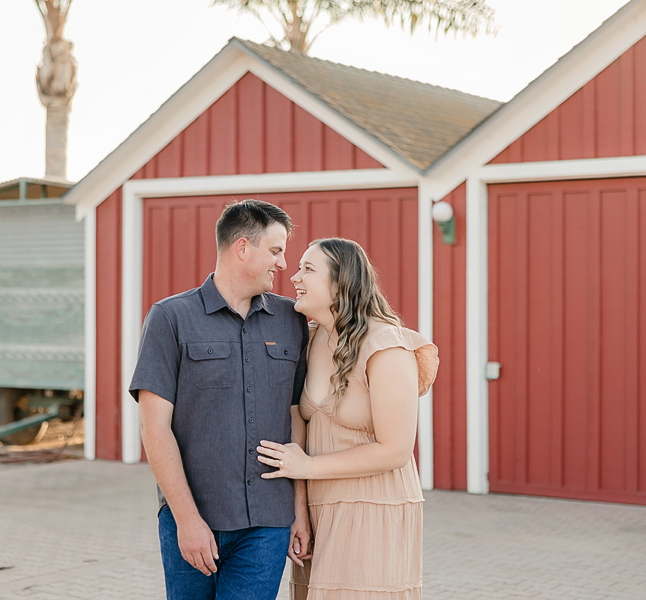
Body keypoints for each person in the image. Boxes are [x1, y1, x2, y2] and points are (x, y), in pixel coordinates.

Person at [129, 199, 312, 600]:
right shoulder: (170, 318)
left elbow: (297, 417)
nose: (283, 264)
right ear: (242, 248)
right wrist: (187, 519)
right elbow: (153, 426)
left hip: (268, 522)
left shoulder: (292, 319)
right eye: (276, 251)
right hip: (195, 517)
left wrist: (300, 508)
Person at [257, 237, 439, 600]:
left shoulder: (386, 346)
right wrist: (300, 513)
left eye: (308, 269)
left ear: (342, 282)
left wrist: (307, 466)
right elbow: (300, 426)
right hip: (319, 510)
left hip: (373, 507)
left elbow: (395, 450)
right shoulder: (308, 340)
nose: (294, 277)